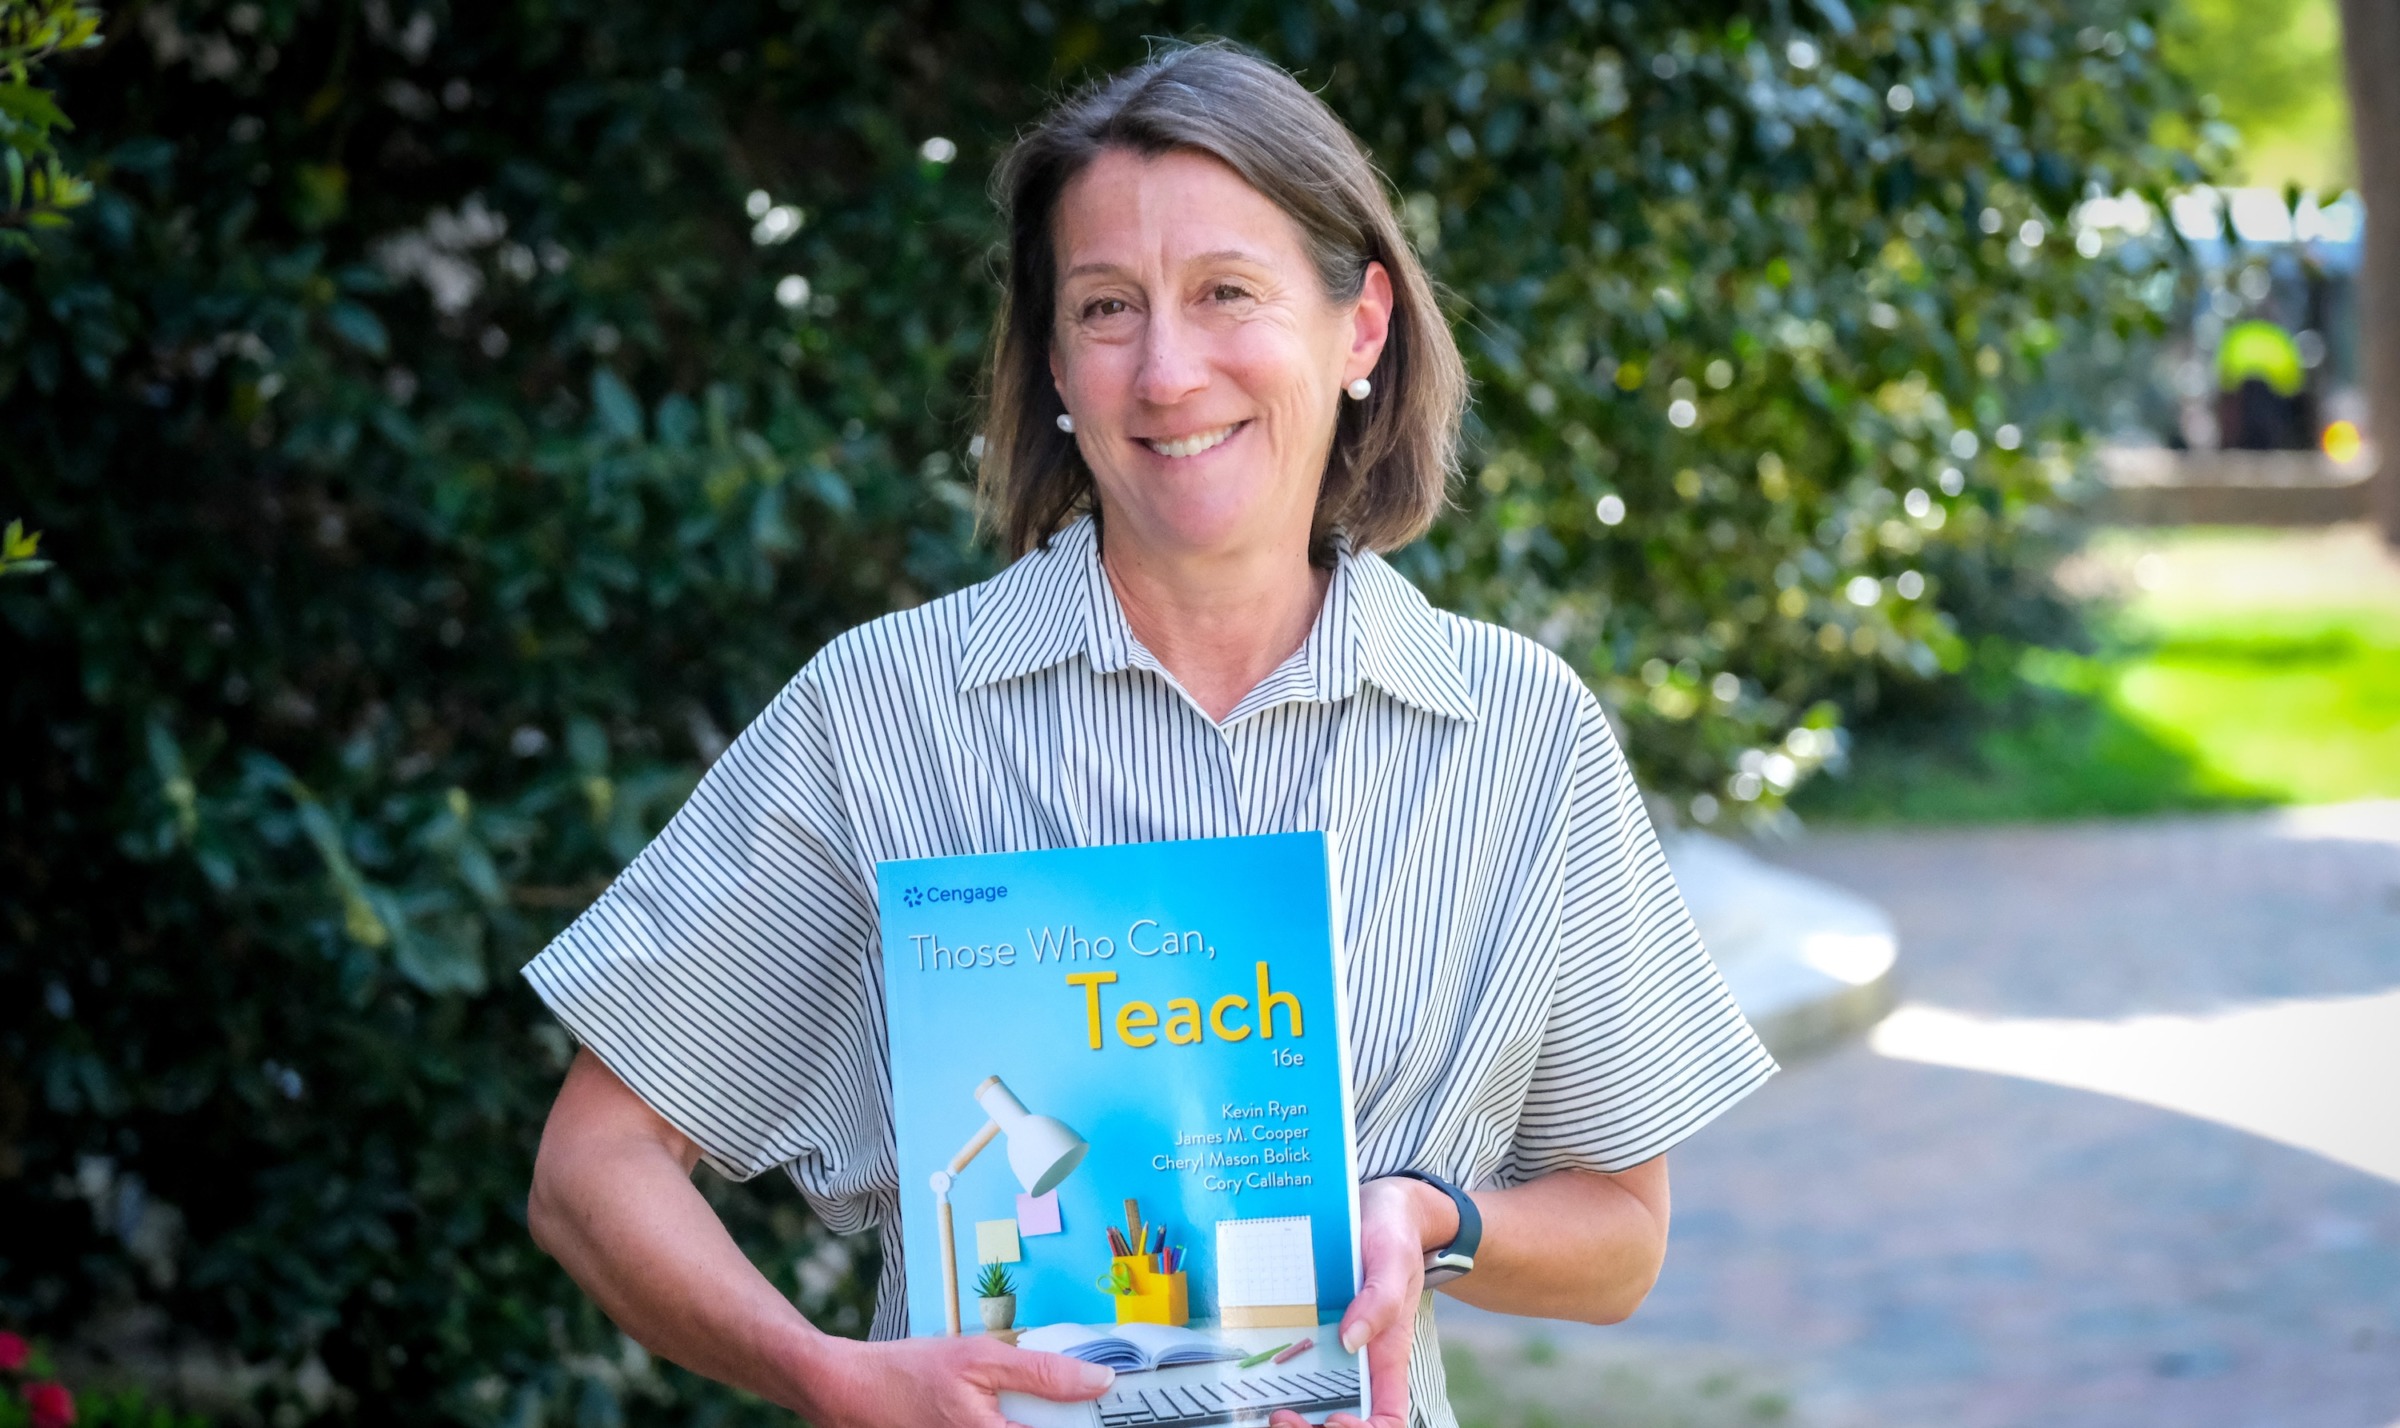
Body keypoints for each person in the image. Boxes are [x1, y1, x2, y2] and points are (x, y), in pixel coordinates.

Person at [523, 41, 1774, 1428]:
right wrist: (827, 1373)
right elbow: (595, 1166)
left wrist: (1429, 1220)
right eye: (1107, 308)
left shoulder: (1521, 737)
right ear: (1055, 359)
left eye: (1227, 293)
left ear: (1359, 328)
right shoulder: (880, 715)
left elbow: (1623, 1239)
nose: (1168, 372)